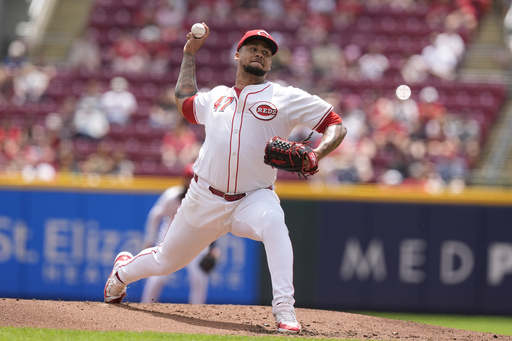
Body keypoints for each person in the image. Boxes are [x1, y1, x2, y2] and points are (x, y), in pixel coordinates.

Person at [104, 24, 347, 333]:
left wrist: (317, 153)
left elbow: (336, 124)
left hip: (254, 197)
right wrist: (189, 54)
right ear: (237, 54)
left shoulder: (284, 97)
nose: (260, 52)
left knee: (274, 224)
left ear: (270, 62)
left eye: (266, 51)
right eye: (253, 47)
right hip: (204, 197)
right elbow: (185, 101)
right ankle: (122, 273)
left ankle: (285, 310)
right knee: (166, 261)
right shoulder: (216, 97)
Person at [140, 165, 220, 304]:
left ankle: (197, 310)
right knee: (159, 275)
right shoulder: (171, 196)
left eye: (195, 179)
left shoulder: (206, 199)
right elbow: (155, 216)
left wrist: (213, 247)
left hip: (195, 239)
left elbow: (213, 224)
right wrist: (150, 239)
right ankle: (146, 305)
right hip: (170, 237)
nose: (191, 182)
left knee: (199, 276)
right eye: (190, 179)